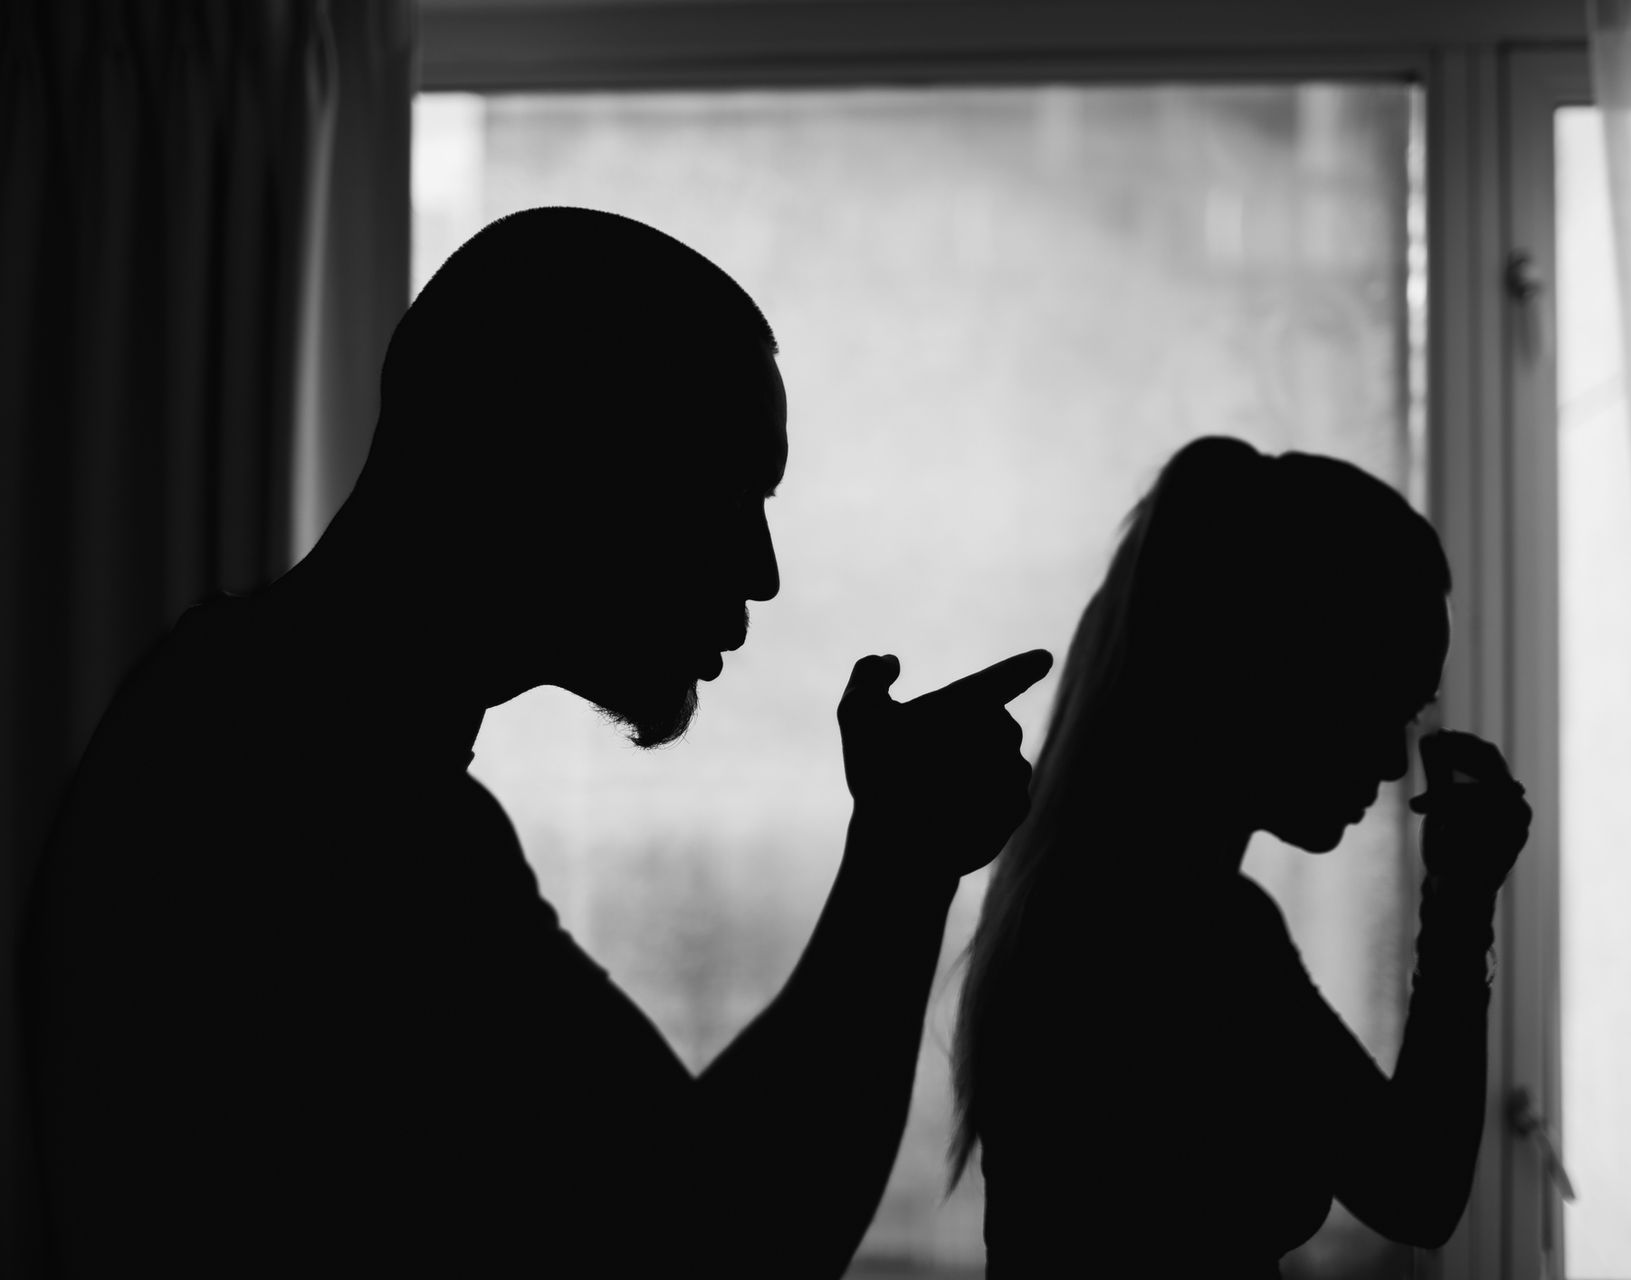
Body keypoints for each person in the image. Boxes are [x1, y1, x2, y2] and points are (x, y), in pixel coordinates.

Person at [21, 207, 1051, 1278]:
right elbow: (721, 1239)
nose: (762, 570)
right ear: (551, 458)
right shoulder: (317, 800)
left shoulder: (230, 713)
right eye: (722, 489)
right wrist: (901, 863)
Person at [947, 436, 1532, 1276]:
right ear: (1278, 672)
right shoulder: (1192, 930)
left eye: (1413, 715)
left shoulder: (1088, 888)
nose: (1393, 762)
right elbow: (1416, 1187)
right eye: (1383, 703)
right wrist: (1460, 904)